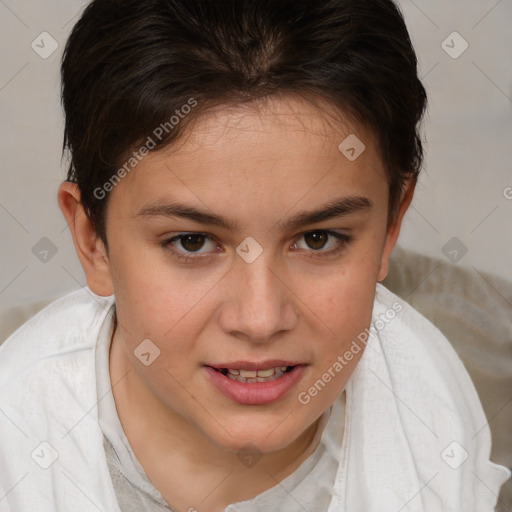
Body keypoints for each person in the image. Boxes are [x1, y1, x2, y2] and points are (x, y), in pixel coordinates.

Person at [0, 0, 509, 511]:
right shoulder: (18, 448)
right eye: (192, 242)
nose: (261, 320)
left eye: (318, 239)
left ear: (391, 224)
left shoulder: (445, 421)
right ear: (93, 241)